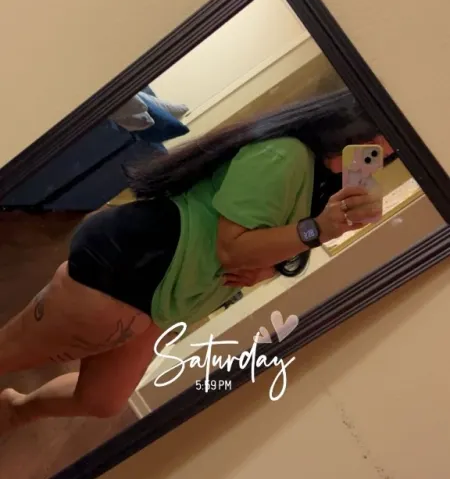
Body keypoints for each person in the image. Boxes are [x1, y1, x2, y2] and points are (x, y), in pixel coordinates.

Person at [0, 88, 394, 431]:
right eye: (383, 137)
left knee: (102, 401)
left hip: (166, 296)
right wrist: (317, 231)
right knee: (9, 353)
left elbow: (258, 256)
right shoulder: (285, 154)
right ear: (354, 123)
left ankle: (15, 411)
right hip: (134, 266)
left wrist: (277, 258)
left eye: (389, 150)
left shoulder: (319, 188)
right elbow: (232, 249)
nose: (384, 151)